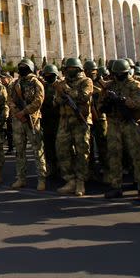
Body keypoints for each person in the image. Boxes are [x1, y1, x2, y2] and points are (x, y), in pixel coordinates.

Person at [101, 59, 140, 203]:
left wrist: (122, 100)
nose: (118, 76)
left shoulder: (135, 85)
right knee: (114, 155)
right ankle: (116, 186)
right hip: (114, 123)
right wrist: (107, 103)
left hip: (130, 123)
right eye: (116, 74)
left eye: (120, 74)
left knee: (136, 155)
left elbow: (138, 103)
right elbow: (101, 105)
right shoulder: (111, 85)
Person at [54, 58, 94, 197]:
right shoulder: (62, 84)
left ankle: (81, 181)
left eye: (70, 68)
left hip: (80, 121)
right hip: (65, 121)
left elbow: (83, 97)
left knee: (82, 151)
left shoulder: (86, 81)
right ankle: (70, 180)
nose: (67, 71)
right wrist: (62, 95)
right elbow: (56, 100)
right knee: (62, 150)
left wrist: (66, 91)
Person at [8, 58, 46, 190]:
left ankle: (41, 178)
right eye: (20, 67)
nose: (22, 70)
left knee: (37, 150)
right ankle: (21, 178)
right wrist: (16, 111)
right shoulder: (15, 83)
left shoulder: (36, 83)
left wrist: (24, 112)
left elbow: (38, 101)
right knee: (19, 151)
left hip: (32, 120)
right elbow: (10, 99)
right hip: (18, 121)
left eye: (25, 67)